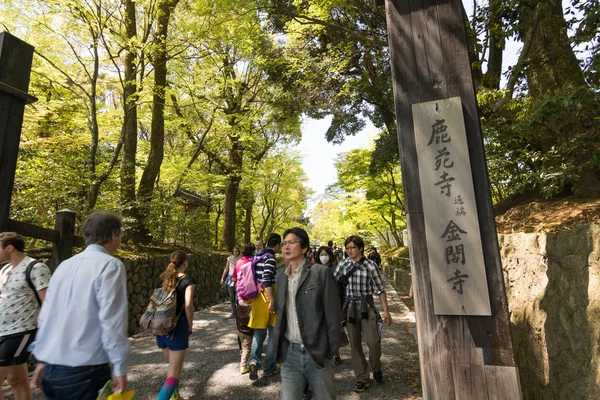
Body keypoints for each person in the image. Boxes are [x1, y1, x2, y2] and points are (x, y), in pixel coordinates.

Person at [31, 211, 130, 400]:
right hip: (85, 369)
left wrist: (42, 359)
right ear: (112, 235)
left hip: (52, 369)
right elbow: (112, 321)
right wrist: (119, 367)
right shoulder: (111, 266)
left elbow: (47, 315)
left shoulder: (64, 265)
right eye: (120, 234)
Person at [272, 228, 341, 400]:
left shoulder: (320, 273)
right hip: (290, 353)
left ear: (304, 248)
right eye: (284, 243)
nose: (286, 246)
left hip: (317, 352)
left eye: (292, 242)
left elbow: (333, 314)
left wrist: (330, 351)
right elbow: (282, 314)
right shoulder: (280, 276)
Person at [334, 235, 392, 393]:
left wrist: (386, 311)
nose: (350, 250)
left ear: (360, 248)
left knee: (373, 342)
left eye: (353, 247)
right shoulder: (343, 265)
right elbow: (333, 285)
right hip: (350, 308)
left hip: (367, 307)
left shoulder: (370, 265)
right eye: (347, 248)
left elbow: (380, 289)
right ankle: (362, 377)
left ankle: (376, 367)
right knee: (354, 344)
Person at [0, 232, 51, 400]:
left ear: (9, 247)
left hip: (22, 331)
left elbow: (48, 303)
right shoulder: (5, 269)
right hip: (3, 330)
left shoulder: (35, 268)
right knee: (16, 380)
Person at [155, 250, 196, 400]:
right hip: (178, 328)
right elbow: (188, 304)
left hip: (160, 327)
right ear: (185, 262)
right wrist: (190, 325)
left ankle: (175, 396)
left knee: (174, 368)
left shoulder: (163, 279)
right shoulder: (188, 280)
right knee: (174, 373)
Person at [247, 233, 281, 380]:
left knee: (259, 333)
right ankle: (269, 366)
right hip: (268, 296)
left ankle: (253, 361)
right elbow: (267, 278)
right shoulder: (270, 257)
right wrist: (272, 300)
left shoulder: (256, 256)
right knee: (273, 333)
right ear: (278, 245)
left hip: (257, 297)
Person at [316, 246, 343, 365]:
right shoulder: (314, 269)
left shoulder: (335, 269)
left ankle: (336, 353)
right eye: (321, 255)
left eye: (325, 255)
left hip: (332, 303)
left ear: (330, 256)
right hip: (318, 303)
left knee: (333, 329)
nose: (323, 257)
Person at [231, 244, 255, 374]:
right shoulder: (251, 263)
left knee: (240, 325)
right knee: (252, 328)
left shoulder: (239, 262)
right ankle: (248, 358)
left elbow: (234, 278)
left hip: (239, 298)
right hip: (250, 299)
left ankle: (242, 349)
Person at [221, 247, 241, 318]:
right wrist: (222, 278)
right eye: (234, 251)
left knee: (238, 296)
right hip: (230, 278)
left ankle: (239, 311)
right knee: (231, 295)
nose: (235, 252)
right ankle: (234, 311)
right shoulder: (229, 259)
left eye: (236, 251)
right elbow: (226, 269)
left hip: (239, 279)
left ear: (239, 252)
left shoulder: (241, 259)